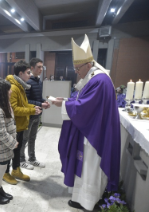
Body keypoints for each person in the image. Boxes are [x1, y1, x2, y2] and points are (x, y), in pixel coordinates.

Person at [51, 34, 120, 211]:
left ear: (88, 65)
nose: (77, 72)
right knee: (82, 167)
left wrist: (64, 103)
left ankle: (88, 202)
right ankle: (79, 198)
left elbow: (86, 107)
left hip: (94, 134)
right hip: (87, 130)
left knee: (89, 168)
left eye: (77, 69)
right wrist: (66, 100)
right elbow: (82, 100)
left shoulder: (99, 80)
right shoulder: (93, 78)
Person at [4, 60, 42, 185]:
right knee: (10, 150)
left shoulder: (20, 85)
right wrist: (31, 110)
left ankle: (16, 170)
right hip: (14, 125)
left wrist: (34, 107)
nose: (30, 75)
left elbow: (23, 104)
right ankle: (5, 173)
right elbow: (13, 109)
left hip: (20, 125)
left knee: (17, 149)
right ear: (20, 73)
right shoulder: (14, 87)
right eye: (28, 72)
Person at [20, 58, 50, 170]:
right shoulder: (28, 82)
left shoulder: (39, 81)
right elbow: (26, 101)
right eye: (39, 67)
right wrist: (40, 104)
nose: (41, 69)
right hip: (29, 115)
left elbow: (36, 98)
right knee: (24, 138)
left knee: (33, 138)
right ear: (32, 68)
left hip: (37, 114)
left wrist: (43, 102)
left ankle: (32, 159)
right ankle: (21, 159)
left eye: (42, 67)